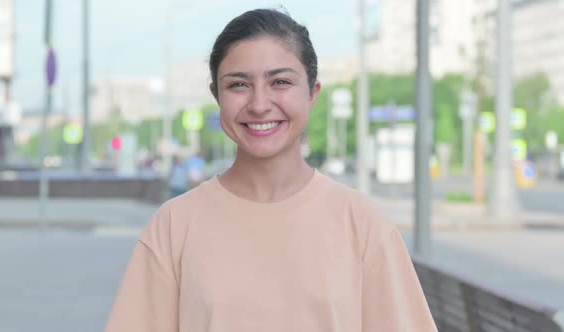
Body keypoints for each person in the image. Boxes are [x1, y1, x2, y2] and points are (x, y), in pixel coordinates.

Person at [105, 8, 436, 332]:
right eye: (238, 85)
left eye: (280, 82)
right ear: (216, 96)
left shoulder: (363, 225)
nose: (260, 104)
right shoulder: (173, 226)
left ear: (312, 93)